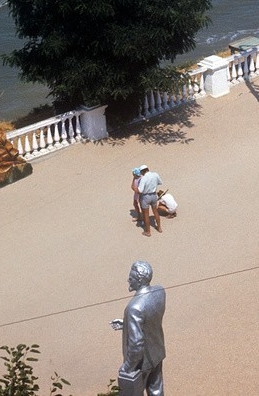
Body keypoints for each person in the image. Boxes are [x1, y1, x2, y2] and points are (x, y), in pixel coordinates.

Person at [117, 260, 166, 396]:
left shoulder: (134, 308)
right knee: (156, 390)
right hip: (157, 352)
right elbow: (152, 316)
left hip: (141, 363)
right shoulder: (159, 291)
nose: (128, 280)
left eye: (131, 278)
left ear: (139, 281)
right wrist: (126, 324)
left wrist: (127, 367)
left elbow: (136, 344)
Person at [136, 165, 163, 235]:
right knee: (155, 211)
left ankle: (148, 231)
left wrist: (134, 188)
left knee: (146, 214)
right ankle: (159, 227)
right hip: (154, 195)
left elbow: (140, 190)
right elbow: (160, 182)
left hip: (146, 197)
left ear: (142, 171)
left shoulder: (144, 178)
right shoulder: (155, 174)